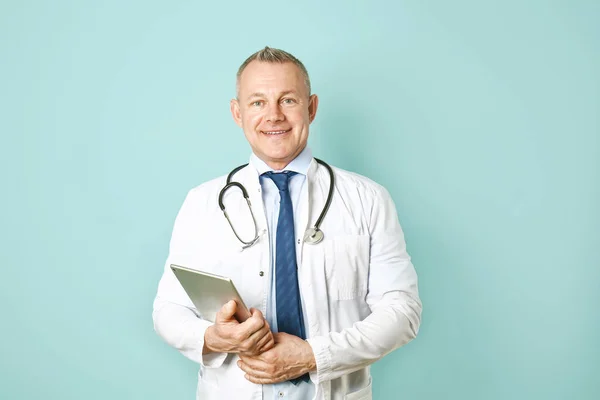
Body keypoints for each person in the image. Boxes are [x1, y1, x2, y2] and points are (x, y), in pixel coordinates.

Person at [152, 46, 422, 400]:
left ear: (311, 107)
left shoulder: (368, 199)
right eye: (257, 102)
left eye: (288, 100)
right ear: (237, 113)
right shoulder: (202, 203)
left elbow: (402, 311)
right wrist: (212, 338)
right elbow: (168, 311)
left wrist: (314, 356)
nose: (273, 115)